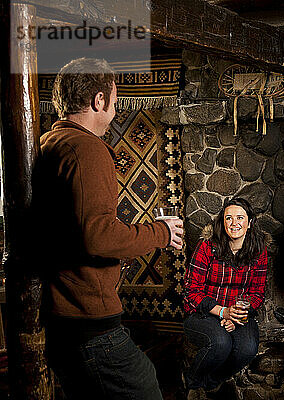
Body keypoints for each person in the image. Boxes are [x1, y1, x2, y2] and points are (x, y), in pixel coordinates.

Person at [35, 58, 184, 400]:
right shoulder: (87, 148)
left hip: (62, 319)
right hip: (87, 323)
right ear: (98, 101)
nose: (115, 111)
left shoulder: (50, 142)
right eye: (115, 103)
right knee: (145, 384)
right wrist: (160, 233)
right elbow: (98, 235)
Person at [182, 197, 268, 393]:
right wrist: (223, 312)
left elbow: (257, 292)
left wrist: (237, 315)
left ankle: (213, 381)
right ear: (222, 222)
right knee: (221, 343)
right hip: (203, 312)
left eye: (240, 218)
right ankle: (192, 380)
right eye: (228, 218)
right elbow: (191, 291)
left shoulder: (259, 250)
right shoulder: (207, 247)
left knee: (248, 349)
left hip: (238, 312)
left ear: (249, 223)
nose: (234, 223)